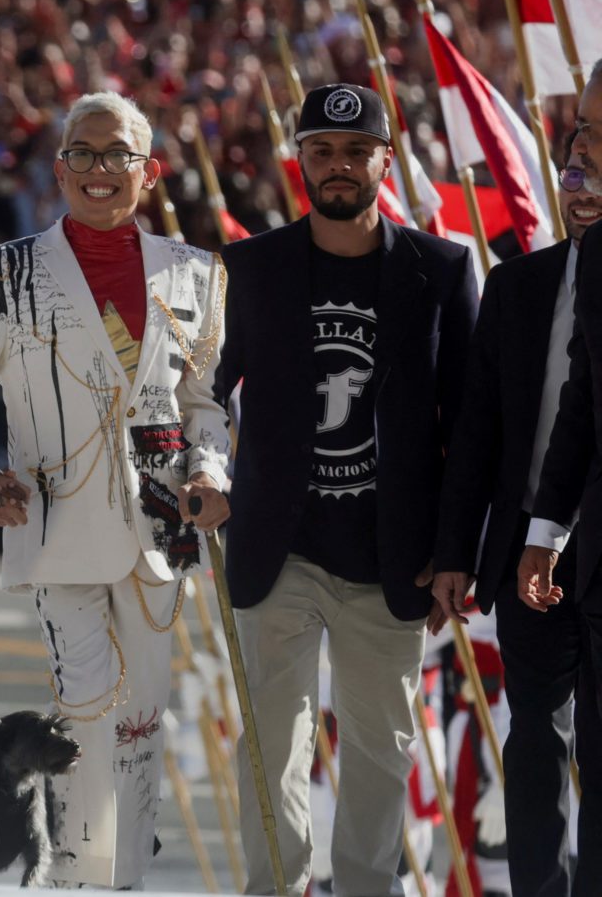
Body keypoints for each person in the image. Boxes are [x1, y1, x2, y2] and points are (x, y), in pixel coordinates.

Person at [0, 91, 233, 889]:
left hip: (165, 536)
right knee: (82, 709)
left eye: (116, 154)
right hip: (56, 526)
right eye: (82, 153)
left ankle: (117, 879)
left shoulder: (196, 272)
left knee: (140, 723)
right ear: (58, 168)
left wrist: (210, 468)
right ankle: (75, 879)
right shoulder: (5, 271)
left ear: (148, 172)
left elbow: (203, 402)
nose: (98, 169)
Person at [217, 82, 476, 896]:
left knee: (378, 747)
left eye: (356, 151)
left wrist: (454, 553)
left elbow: (469, 428)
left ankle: (368, 887)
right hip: (277, 546)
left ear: (384, 161)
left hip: (391, 557)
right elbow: (206, 389)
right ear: (300, 157)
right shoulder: (251, 266)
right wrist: (198, 466)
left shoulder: (440, 269)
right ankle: (276, 888)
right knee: (270, 742)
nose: (338, 166)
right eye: (322, 151)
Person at [436, 64, 602, 897]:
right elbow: (476, 436)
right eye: (574, 167)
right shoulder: (519, 286)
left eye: (596, 174)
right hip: (523, 556)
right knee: (535, 737)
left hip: (597, 551)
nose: (581, 188)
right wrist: (455, 551)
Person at [517, 69, 602, 893]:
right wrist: (544, 531)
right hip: (574, 558)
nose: (585, 157)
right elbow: (578, 410)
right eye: (582, 134)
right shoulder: (579, 265)